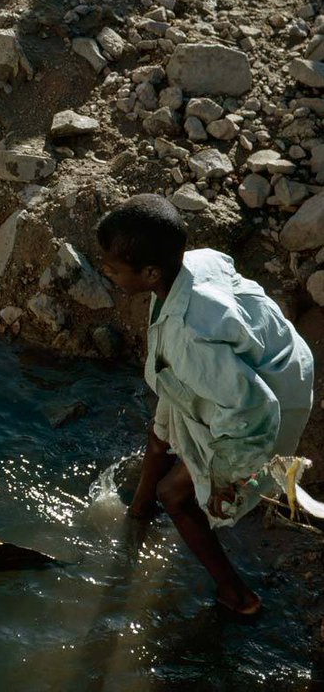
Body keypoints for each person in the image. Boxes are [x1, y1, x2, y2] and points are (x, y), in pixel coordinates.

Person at [96, 194, 314, 617]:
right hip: (264, 360)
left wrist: (225, 479)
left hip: (270, 401)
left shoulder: (188, 337)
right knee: (160, 436)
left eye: (113, 268)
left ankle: (239, 596)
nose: (106, 271)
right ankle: (139, 513)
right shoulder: (196, 262)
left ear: (150, 272)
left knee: (175, 496)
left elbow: (254, 412)